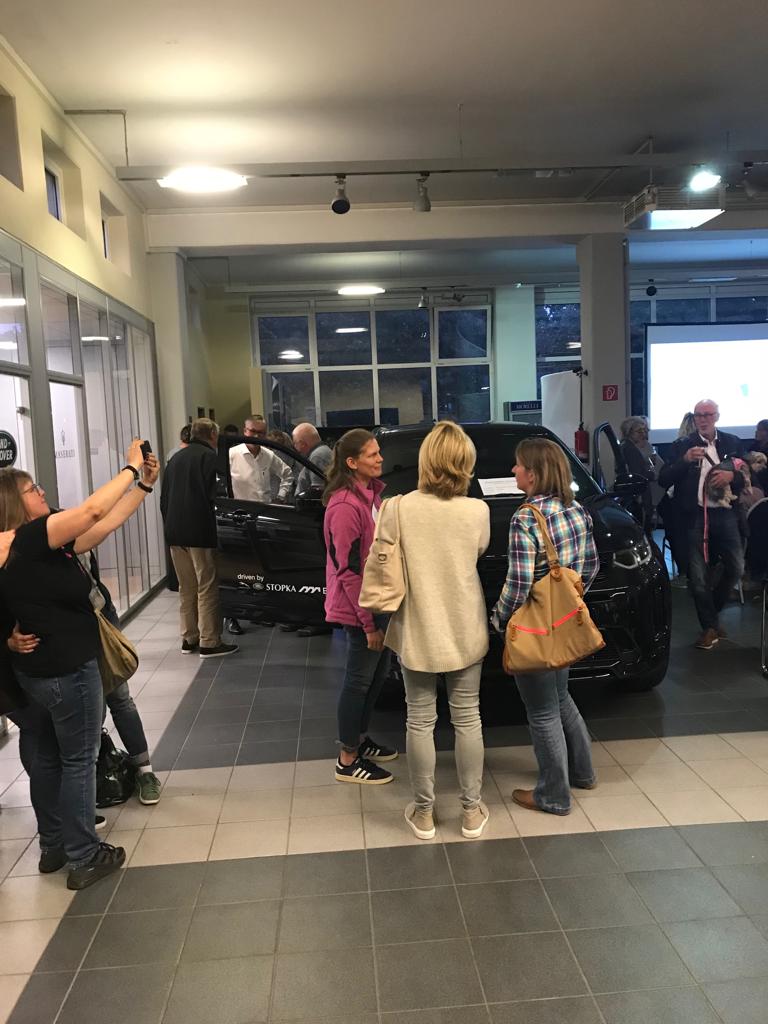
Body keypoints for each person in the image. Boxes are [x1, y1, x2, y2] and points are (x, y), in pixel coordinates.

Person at [0, 441, 152, 889]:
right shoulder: (30, 538)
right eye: (32, 489)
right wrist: (130, 468)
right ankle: (84, 854)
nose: (42, 492)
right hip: (67, 670)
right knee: (79, 761)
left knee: (48, 756)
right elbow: (91, 510)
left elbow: (101, 526)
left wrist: (143, 487)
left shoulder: (25, 546)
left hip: (37, 673)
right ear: (14, 503)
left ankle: (54, 846)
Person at [385, 422, 491, 840]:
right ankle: (471, 811)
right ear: (465, 463)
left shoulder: (397, 508)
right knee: (468, 718)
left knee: (419, 720)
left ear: (425, 460)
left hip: (418, 626)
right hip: (465, 625)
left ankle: (424, 812)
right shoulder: (477, 511)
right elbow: (477, 552)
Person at [8, 526, 164, 808]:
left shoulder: (59, 525)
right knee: (68, 725)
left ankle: (144, 771)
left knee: (119, 697)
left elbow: (96, 529)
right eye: (33, 495)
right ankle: (79, 799)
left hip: (96, 617)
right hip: (54, 646)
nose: (42, 499)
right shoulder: (13, 543)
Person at [492, 438, 600, 816]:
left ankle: (553, 795)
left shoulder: (526, 518)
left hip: (535, 629)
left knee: (541, 711)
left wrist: (500, 618)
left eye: (518, 465)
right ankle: (583, 773)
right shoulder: (577, 509)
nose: (513, 470)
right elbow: (591, 565)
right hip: (565, 622)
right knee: (561, 697)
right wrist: (568, 600)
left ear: (533, 474)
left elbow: (519, 583)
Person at [323, 429, 397, 785]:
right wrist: (368, 624)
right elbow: (349, 571)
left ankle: (359, 738)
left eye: (378, 452)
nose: (380, 458)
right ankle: (347, 759)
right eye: (372, 454)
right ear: (352, 463)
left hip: (376, 601)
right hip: (359, 608)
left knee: (375, 678)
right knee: (358, 681)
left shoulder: (371, 496)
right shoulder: (344, 506)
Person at [658, 398, 744, 650]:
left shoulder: (732, 442)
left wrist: (732, 475)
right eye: (698, 415)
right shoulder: (681, 445)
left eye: (707, 414)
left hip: (725, 513)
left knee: (736, 568)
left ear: (717, 416)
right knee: (697, 575)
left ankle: (712, 616)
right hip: (693, 515)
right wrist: (684, 460)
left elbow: (747, 476)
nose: (703, 419)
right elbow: (664, 479)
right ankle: (708, 627)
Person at [161, 417, 238, 659]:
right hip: (200, 532)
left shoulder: (175, 459)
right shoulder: (209, 458)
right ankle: (209, 641)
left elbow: (164, 499)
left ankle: (189, 638)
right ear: (213, 435)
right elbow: (217, 497)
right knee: (206, 586)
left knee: (186, 587)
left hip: (175, 533)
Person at [229, 415, 293, 504]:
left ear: (265, 434)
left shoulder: (268, 455)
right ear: (245, 431)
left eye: (261, 432)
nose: (256, 436)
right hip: (240, 509)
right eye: (253, 431)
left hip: (265, 509)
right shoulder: (231, 454)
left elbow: (287, 474)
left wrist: (281, 496)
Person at [619, 416, 658, 535]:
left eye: (645, 430)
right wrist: (652, 473)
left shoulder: (627, 446)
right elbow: (638, 475)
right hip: (638, 498)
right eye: (639, 431)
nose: (644, 434)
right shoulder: (629, 448)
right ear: (629, 431)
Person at [292, 422, 333, 496]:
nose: (295, 447)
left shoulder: (317, 457)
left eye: (295, 443)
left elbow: (317, 493)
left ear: (302, 444)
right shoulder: (321, 452)